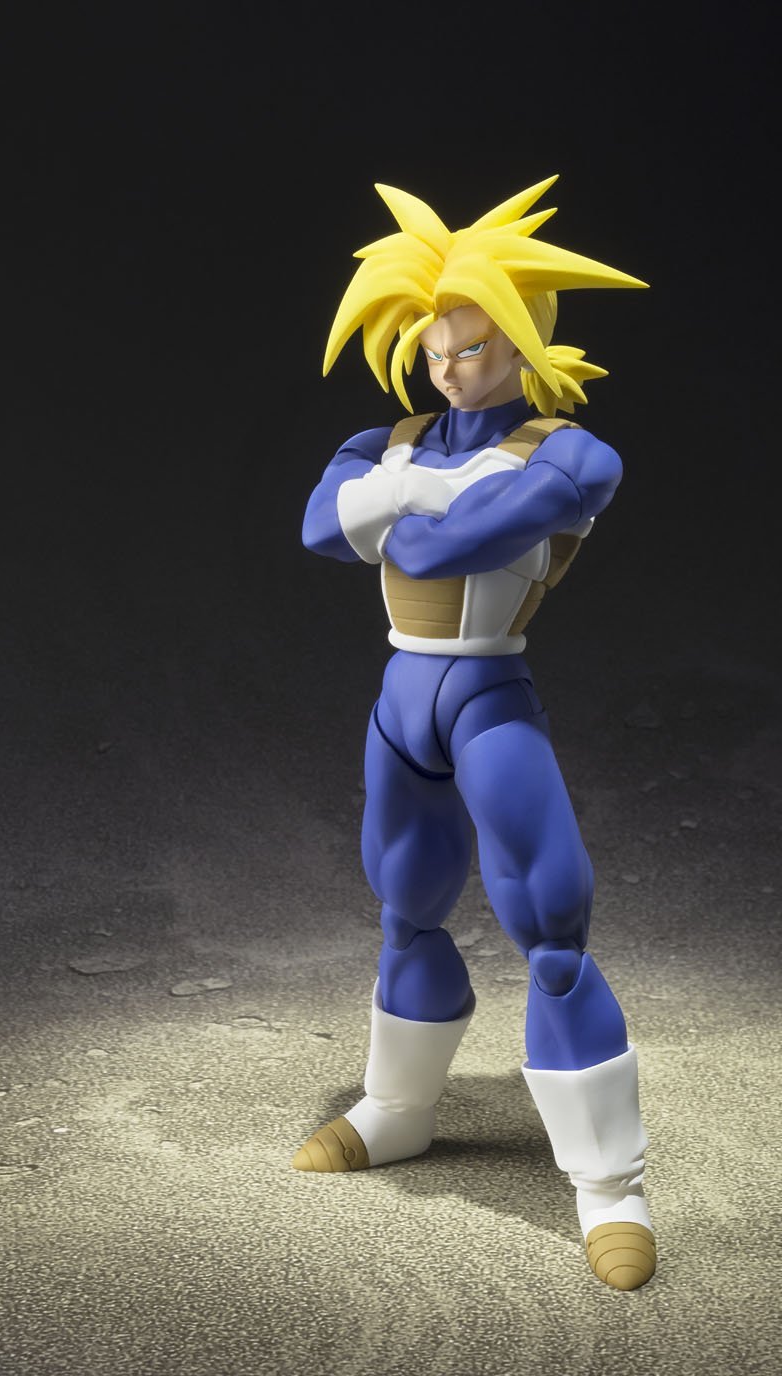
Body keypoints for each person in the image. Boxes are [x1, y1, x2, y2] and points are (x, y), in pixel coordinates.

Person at [294, 176, 656, 1291]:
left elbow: (433, 549)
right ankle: (398, 1108)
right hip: (402, 697)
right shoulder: (388, 433)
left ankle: (610, 1185)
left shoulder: (571, 453)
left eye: (475, 346)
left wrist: (397, 500)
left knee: (551, 927)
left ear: (520, 338)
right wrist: (413, 495)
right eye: (435, 347)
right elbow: (317, 529)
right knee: (404, 905)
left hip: (490, 693)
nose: (451, 367)